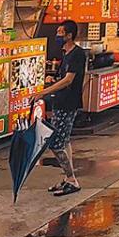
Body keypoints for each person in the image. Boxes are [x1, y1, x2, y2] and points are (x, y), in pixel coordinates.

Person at [33, 20, 85, 196]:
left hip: (68, 103)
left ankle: (72, 180)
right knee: (65, 141)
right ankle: (67, 178)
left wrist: (44, 92)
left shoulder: (77, 54)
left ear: (69, 35)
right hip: (60, 102)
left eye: (61, 32)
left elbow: (69, 79)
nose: (57, 35)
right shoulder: (66, 53)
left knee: (55, 143)